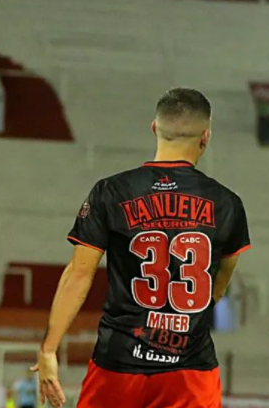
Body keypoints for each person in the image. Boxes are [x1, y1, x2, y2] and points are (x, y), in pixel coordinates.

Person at [32, 88, 251, 408]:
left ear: (154, 128)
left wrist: (49, 348)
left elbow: (79, 275)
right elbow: (220, 282)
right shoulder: (227, 203)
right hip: (190, 369)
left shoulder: (111, 191)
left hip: (118, 363)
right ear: (205, 137)